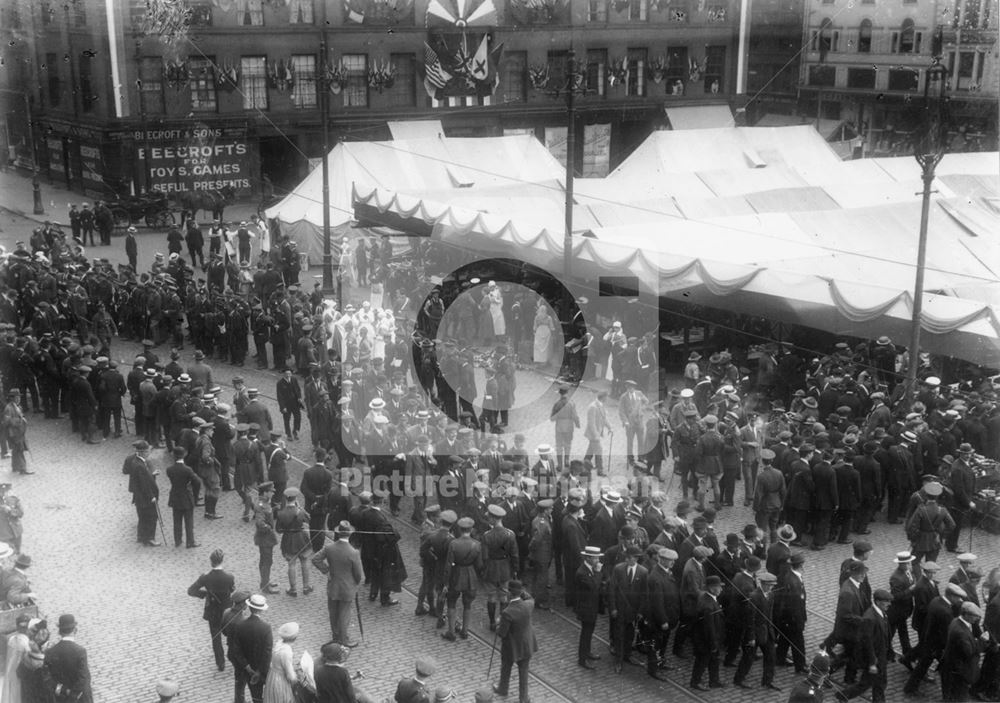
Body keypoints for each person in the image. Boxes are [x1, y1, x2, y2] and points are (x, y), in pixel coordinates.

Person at [311, 520, 363, 647]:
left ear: (338, 533)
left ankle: (335, 636)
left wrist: (327, 571)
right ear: (349, 534)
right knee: (344, 614)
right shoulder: (354, 552)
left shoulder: (329, 548)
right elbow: (358, 575)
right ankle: (344, 640)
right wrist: (355, 584)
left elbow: (315, 559)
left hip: (333, 585)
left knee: (333, 613)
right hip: (347, 588)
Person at [835, 588, 891, 703]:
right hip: (874, 659)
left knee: (880, 683)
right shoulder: (870, 618)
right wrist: (872, 663)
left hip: (881, 656)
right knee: (865, 684)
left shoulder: (881, 613)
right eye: (886, 601)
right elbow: (867, 642)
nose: (889, 604)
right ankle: (843, 695)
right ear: (878, 602)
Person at [188, 548, 236, 672]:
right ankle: (234, 657)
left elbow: (191, 590)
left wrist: (204, 594)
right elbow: (232, 590)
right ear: (222, 560)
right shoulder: (229, 577)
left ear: (211, 561)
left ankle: (220, 663)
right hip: (227, 610)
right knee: (231, 635)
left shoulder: (205, 577)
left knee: (216, 637)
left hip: (213, 611)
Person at [493, 579, 537, 703]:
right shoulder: (528, 605)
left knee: (506, 667)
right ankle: (523, 698)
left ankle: (503, 688)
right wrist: (522, 592)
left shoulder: (507, 612)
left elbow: (502, 633)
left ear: (509, 593)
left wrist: (497, 624)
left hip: (511, 647)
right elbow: (530, 598)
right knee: (524, 671)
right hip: (527, 644)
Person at [231, 594, 273, 703]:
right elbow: (267, 652)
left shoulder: (240, 625)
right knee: (263, 695)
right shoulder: (266, 627)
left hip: (247, 669)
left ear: (249, 607)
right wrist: (260, 671)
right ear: (261, 610)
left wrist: (247, 667)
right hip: (261, 669)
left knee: (255, 694)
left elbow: (236, 649)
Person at [45, 614, 93, 703]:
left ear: (59, 632)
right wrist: (73, 697)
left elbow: (48, 679)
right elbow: (83, 678)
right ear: (75, 630)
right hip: (79, 699)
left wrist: (64, 690)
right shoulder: (80, 651)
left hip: (61, 698)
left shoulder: (50, 652)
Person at [691, 574, 726, 691]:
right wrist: (713, 644)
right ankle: (695, 682)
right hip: (706, 641)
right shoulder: (708, 606)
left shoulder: (708, 598)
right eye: (719, 587)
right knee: (702, 661)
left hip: (709, 639)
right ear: (711, 588)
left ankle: (714, 680)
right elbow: (709, 628)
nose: (721, 589)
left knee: (714, 660)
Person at [275, 487, 312, 597]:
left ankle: (293, 589)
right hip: (302, 538)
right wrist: (300, 507)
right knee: (305, 562)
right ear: (296, 498)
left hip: (289, 540)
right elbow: (308, 519)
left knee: (291, 564)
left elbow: (278, 530)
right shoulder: (300, 511)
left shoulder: (281, 513)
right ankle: (306, 587)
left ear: (286, 499)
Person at [167, 445, 201, 548]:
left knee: (176, 521)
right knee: (189, 522)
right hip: (186, 497)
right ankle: (190, 542)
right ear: (184, 455)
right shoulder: (188, 470)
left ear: (174, 455)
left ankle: (178, 540)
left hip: (175, 497)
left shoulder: (169, 469)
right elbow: (198, 482)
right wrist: (195, 494)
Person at [575, 546, 603, 669]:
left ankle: (587, 652)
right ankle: (582, 659)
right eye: (596, 558)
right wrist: (597, 572)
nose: (598, 560)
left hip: (592, 606)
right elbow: (594, 587)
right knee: (585, 633)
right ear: (588, 558)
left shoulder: (589, 569)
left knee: (589, 631)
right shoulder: (582, 572)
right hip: (585, 608)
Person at [263, 622, 299, 703]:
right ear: (295, 637)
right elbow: (290, 675)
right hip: (280, 681)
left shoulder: (279, 643)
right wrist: (296, 678)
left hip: (272, 676)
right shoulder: (286, 651)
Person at [2, 613, 31, 703]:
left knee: (12, 695)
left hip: (10, 673)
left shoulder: (11, 639)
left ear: (17, 627)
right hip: (20, 676)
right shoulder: (27, 643)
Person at [2, 389, 31, 474]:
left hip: (18, 432)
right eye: (17, 397)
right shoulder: (9, 408)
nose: (19, 399)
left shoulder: (17, 406)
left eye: (19, 397)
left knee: (16, 450)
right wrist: (20, 421)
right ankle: (23, 469)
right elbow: (7, 421)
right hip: (14, 433)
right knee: (19, 449)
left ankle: (15, 467)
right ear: (12, 398)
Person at [276, 369, 302, 441]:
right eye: (286, 374)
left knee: (298, 418)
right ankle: (288, 434)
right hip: (286, 404)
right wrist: (282, 407)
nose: (288, 375)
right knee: (287, 420)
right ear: (283, 374)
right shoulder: (280, 383)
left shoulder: (294, 379)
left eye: (289, 373)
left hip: (295, 403)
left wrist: (299, 397)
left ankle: (295, 432)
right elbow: (279, 396)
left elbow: (298, 389)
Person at [0, 482, 25, 552]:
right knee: (6, 554)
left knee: (17, 552)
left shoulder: (13, 499)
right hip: (3, 535)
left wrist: (11, 511)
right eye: (1, 491)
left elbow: (21, 513)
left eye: (4, 491)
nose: (2, 493)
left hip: (16, 532)